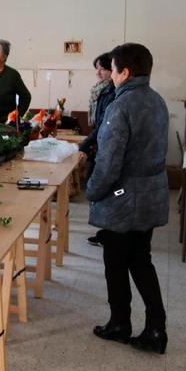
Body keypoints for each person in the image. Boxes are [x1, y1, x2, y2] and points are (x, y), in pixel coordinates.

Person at [87, 43, 169, 355]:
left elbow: (109, 164)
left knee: (116, 262)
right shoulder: (157, 100)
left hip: (123, 198)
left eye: (114, 70)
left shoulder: (120, 107)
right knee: (141, 259)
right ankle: (156, 327)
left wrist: (93, 190)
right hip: (150, 194)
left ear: (125, 72)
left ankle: (120, 323)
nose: (111, 77)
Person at [79, 52, 116, 247]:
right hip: (99, 141)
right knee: (98, 188)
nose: (98, 73)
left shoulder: (112, 93)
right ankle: (105, 232)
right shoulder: (102, 90)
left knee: (104, 190)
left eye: (102, 68)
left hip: (104, 144)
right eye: (97, 69)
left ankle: (107, 233)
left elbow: (103, 124)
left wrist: (84, 144)